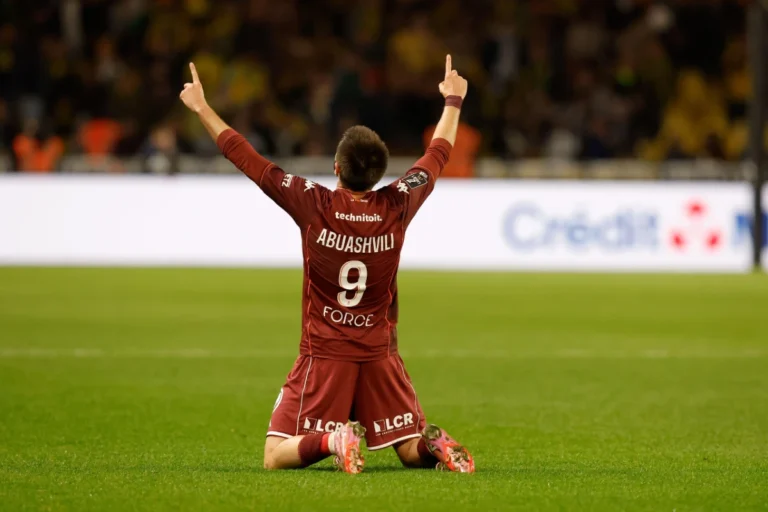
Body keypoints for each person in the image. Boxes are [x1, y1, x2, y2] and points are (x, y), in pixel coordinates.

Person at [179, 55, 474, 474]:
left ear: (337, 167)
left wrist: (201, 107)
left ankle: (333, 440)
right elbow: (438, 154)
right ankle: (432, 446)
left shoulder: (312, 203)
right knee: (408, 447)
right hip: (379, 353)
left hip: (325, 353)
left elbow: (249, 160)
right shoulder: (398, 203)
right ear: (379, 175)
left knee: (274, 455)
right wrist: (453, 101)